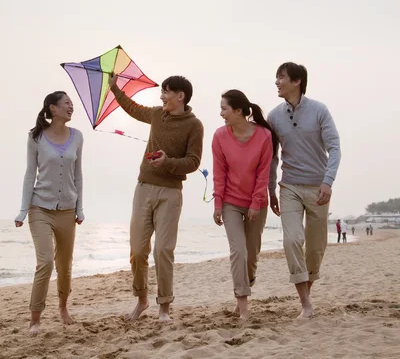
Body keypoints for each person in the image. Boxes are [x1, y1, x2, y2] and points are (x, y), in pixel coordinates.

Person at [109, 74, 203, 322]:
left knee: (163, 250)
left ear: (180, 96)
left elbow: (193, 162)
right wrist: (114, 88)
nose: (161, 95)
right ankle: (142, 300)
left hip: (171, 192)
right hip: (143, 188)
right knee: (138, 251)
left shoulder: (195, 125)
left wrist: (168, 162)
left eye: (166, 91)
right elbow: (131, 108)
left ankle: (164, 308)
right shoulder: (155, 115)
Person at [267, 62, 341, 318]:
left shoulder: (319, 110)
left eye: (281, 77)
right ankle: (306, 304)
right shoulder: (274, 116)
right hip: (289, 186)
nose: (277, 82)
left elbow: (335, 147)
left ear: (297, 81)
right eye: (276, 77)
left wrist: (328, 181)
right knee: (292, 240)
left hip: (319, 187)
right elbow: (272, 157)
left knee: (316, 247)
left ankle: (306, 291)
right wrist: (271, 189)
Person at [15, 92, 84, 335]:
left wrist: (80, 208)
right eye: (67, 103)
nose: (71, 107)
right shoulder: (36, 137)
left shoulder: (77, 137)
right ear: (52, 108)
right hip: (39, 207)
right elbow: (29, 174)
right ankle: (35, 319)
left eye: (72, 104)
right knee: (45, 262)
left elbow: (78, 175)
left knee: (64, 267)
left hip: (67, 210)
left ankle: (63, 307)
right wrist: (23, 210)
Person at [212, 90, 276, 320]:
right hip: (230, 202)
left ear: (238, 111)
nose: (221, 114)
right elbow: (219, 173)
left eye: (224, 109)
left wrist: (256, 202)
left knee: (251, 255)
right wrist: (218, 204)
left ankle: (245, 286)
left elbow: (263, 173)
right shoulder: (219, 136)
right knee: (238, 251)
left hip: (256, 203)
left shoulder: (264, 136)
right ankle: (244, 306)